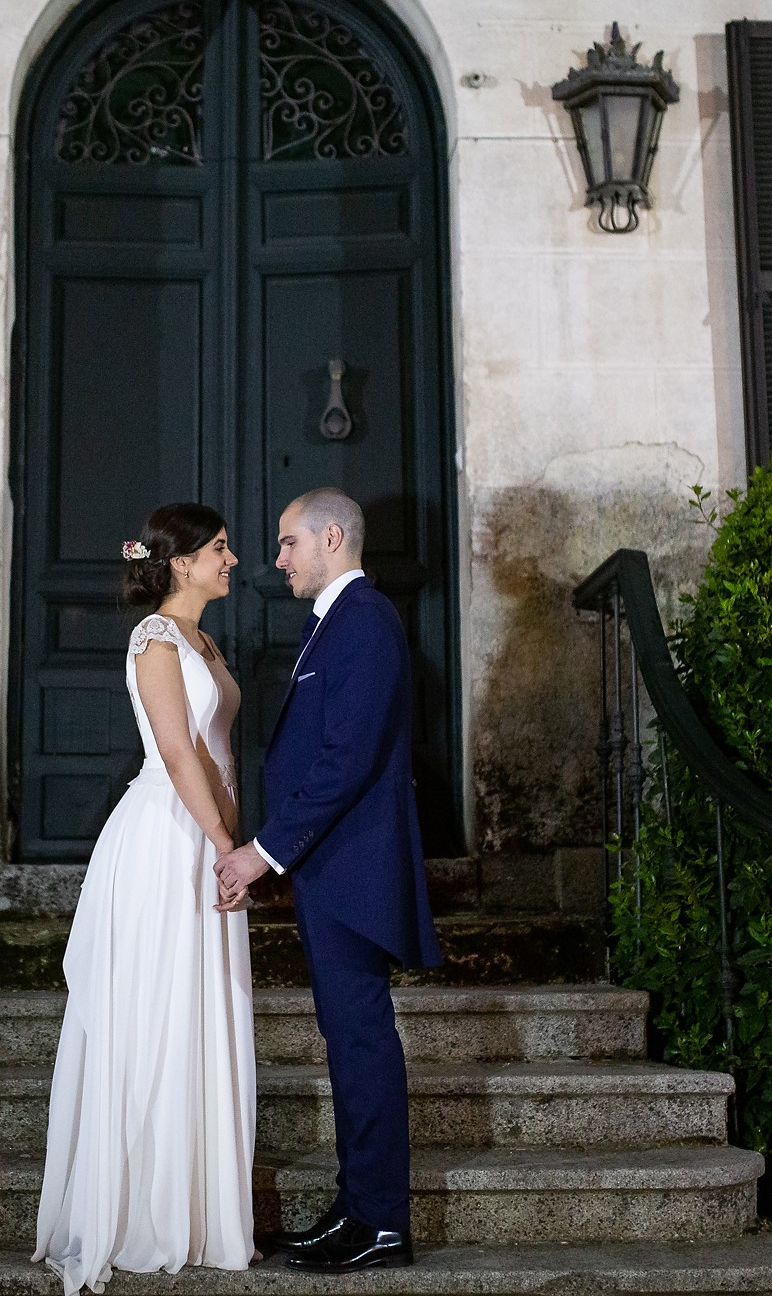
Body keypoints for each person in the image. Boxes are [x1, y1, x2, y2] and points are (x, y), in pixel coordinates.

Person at [214, 486, 443, 1274]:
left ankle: (380, 1221)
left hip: (351, 868)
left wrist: (262, 851)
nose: (276, 559)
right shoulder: (336, 625)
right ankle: (357, 1210)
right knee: (346, 1042)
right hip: (330, 868)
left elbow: (346, 759)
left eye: (287, 543)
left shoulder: (366, 622)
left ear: (332, 536)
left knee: (360, 1040)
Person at [33, 502, 257, 1296]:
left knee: (201, 1012)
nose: (234, 560)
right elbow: (174, 747)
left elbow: (221, 747)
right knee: (159, 1014)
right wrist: (226, 845)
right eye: (221, 550)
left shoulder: (207, 640)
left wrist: (236, 837)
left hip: (208, 829)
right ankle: (144, 1208)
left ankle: (199, 1206)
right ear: (183, 562)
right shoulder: (156, 638)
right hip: (166, 839)